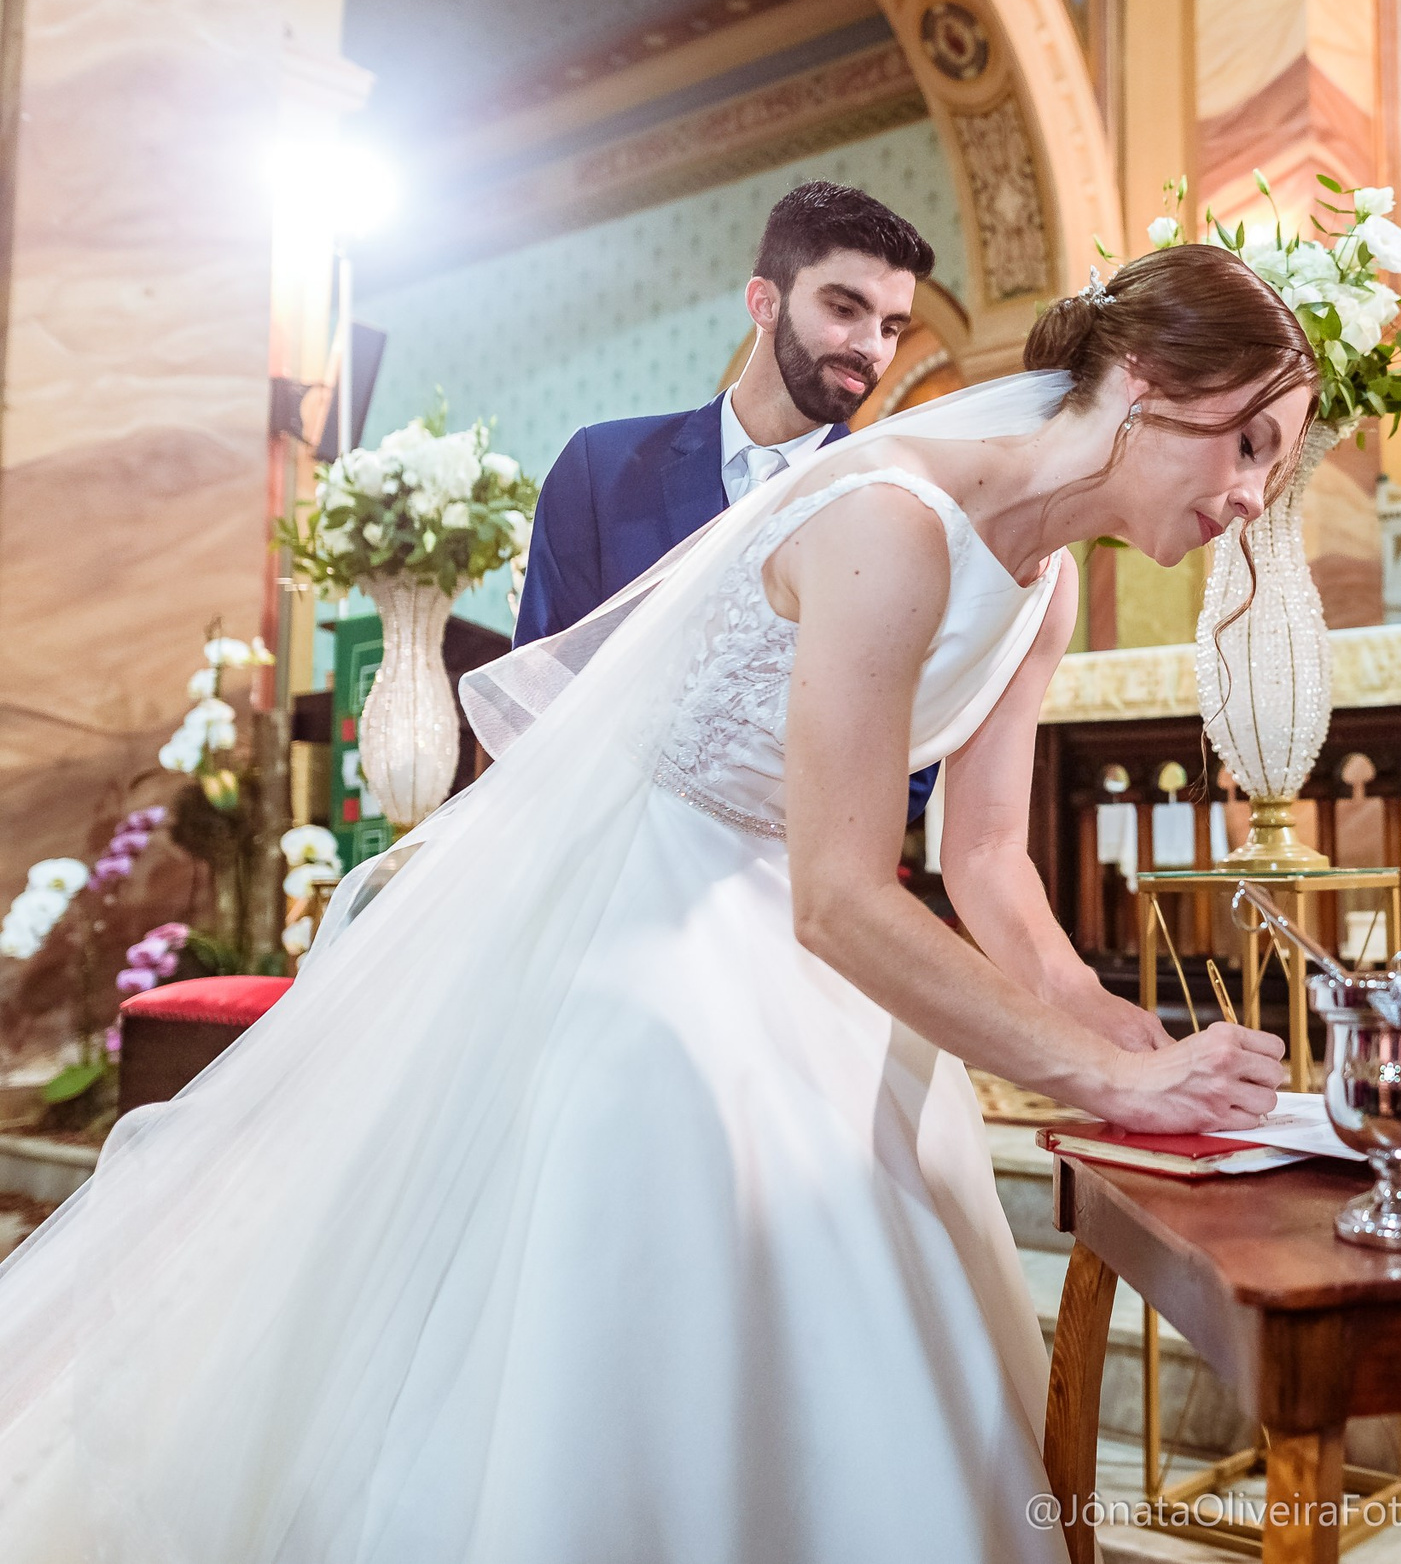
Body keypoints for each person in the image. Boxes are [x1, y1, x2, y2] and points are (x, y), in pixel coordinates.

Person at [0, 243, 1313, 1563]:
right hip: (645, 922)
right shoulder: (891, 523)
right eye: (1248, 442)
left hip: (799, 932)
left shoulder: (1048, 584)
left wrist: (1104, 1018)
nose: (1254, 496)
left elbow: (984, 861)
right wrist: (1099, 1082)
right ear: (1143, 384)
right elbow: (843, 899)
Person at [518, 179, 944, 820]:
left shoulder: (897, 515)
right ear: (764, 302)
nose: (872, 348)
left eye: (890, 326)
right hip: (595, 861)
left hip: (780, 886)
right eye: (844, 308)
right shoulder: (599, 471)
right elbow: (537, 694)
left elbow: (907, 773)